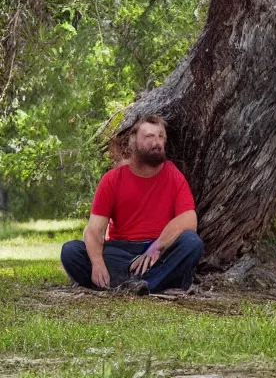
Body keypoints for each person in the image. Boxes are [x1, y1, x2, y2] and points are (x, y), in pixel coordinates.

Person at [61, 115, 203, 295]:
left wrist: (155, 247)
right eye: (149, 136)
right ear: (133, 141)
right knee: (71, 251)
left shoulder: (173, 175)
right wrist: (97, 263)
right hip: (119, 252)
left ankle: (134, 285)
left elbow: (189, 220)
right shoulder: (113, 179)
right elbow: (94, 230)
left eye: (161, 137)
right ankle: (145, 283)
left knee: (192, 243)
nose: (157, 142)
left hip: (156, 252)